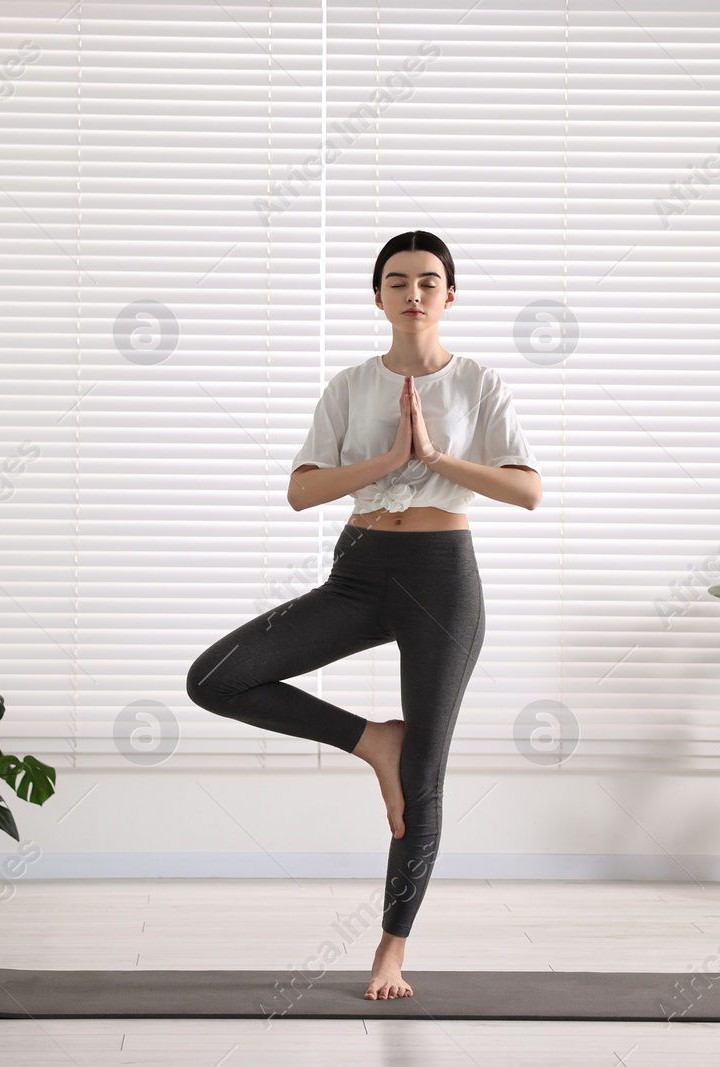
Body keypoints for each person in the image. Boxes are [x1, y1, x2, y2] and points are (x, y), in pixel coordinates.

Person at [185, 230, 541, 1000]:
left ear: (451, 295)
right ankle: (370, 738)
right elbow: (302, 491)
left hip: (443, 579)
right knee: (214, 678)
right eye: (397, 279)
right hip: (360, 571)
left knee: (426, 775)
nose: (413, 291)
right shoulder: (349, 386)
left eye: (429, 279)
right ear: (377, 295)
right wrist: (389, 459)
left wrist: (436, 458)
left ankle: (390, 949)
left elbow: (527, 490)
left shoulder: (479, 383)